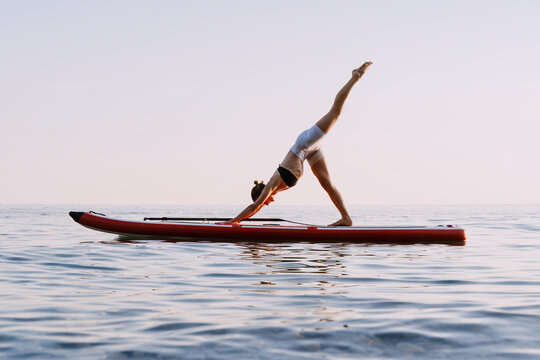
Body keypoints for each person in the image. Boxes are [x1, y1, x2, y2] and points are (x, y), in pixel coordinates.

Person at [223, 61, 373, 226]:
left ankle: (355, 76)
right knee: (327, 184)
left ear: (261, 195)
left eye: (265, 202)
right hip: (308, 152)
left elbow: (254, 206)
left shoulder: (271, 184)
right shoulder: (275, 188)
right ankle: (346, 218)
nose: (267, 203)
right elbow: (257, 207)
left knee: (335, 112)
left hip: (304, 143)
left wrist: (230, 222)